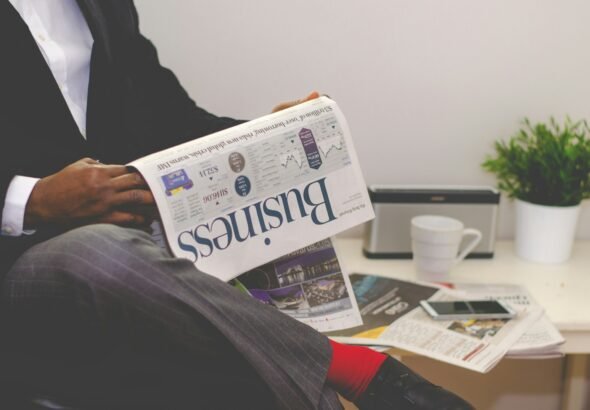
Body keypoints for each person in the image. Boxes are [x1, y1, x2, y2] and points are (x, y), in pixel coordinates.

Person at [0, 1, 474, 409]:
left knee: (251, 371)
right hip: (25, 268)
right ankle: (367, 374)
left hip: (138, 263)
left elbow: (170, 120)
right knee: (98, 252)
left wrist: (264, 137)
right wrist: (32, 200)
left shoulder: (105, 5)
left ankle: (355, 384)